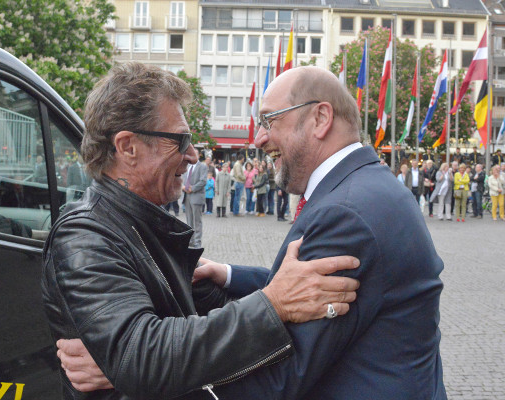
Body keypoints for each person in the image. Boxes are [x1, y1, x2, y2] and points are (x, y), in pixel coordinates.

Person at [58, 65, 446, 400]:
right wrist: (138, 365)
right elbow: (298, 290)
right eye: (181, 141)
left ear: (319, 119)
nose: (258, 138)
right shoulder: (369, 188)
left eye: (269, 120)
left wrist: (137, 374)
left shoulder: (345, 213)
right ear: (127, 147)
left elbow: (280, 376)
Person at [182, 155, 207, 247]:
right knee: (189, 220)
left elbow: (203, 181)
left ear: (198, 155)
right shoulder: (187, 166)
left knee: (197, 221)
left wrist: (192, 188)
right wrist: (183, 187)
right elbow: (183, 178)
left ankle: (197, 242)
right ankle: (191, 240)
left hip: (196, 196)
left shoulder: (202, 166)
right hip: (186, 196)